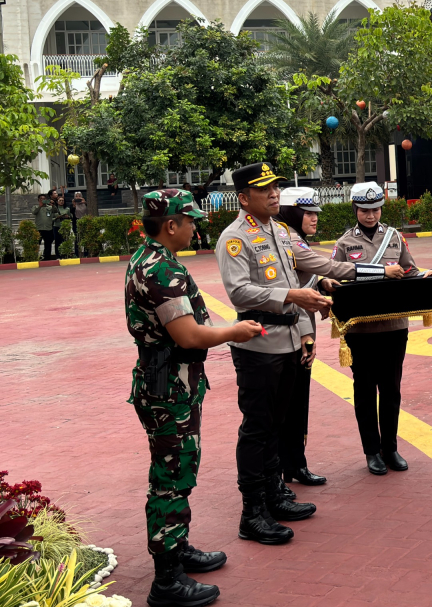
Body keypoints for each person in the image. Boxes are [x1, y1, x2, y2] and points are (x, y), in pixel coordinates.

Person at [126, 189, 264, 607]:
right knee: (172, 478)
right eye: (191, 222)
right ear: (171, 225)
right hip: (170, 388)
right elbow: (188, 335)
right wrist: (235, 332)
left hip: (169, 381)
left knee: (175, 471)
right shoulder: (161, 271)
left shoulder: (148, 259)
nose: (194, 229)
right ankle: (167, 581)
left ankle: (177, 548)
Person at [216, 162, 332, 545]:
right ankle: (252, 512)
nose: (274, 194)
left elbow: (308, 271)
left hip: (288, 342)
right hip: (258, 346)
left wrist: (303, 333)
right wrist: (291, 295)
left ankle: (274, 493)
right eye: (264, 189)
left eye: (276, 187)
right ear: (243, 198)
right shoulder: (234, 238)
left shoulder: (281, 231)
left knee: (278, 426)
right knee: (258, 428)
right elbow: (240, 292)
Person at [331, 181, 432, 474]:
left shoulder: (394, 237)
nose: (370, 215)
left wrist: (425, 275)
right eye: (365, 210)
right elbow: (334, 278)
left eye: (375, 209)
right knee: (365, 391)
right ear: (356, 209)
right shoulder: (344, 243)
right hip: (360, 331)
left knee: (391, 389)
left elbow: (409, 269)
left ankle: (390, 448)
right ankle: (371, 452)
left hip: (393, 327)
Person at [275, 187, 352, 488]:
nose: (314, 218)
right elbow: (319, 264)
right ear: (292, 213)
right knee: (285, 403)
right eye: (307, 213)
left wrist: (321, 281)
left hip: (302, 330)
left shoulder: (292, 238)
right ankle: (283, 468)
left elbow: (306, 272)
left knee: (298, 400)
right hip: (285, 332)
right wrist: (376, 270)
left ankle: (295, 464)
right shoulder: (287, 239)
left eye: (315, 212)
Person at [34, 194, 54, 260]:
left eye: (44, 199)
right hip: (39, 229)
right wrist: (40, 206)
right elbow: (34, 212)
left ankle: (47, 257)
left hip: (48, 228)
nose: (43, 200)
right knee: (37, 244)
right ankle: (35, 257)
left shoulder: (50, 207)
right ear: (38, 200)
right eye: (41, 199)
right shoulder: (36, 207)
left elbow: (56, 211)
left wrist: (53, 204)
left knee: (48, 244)